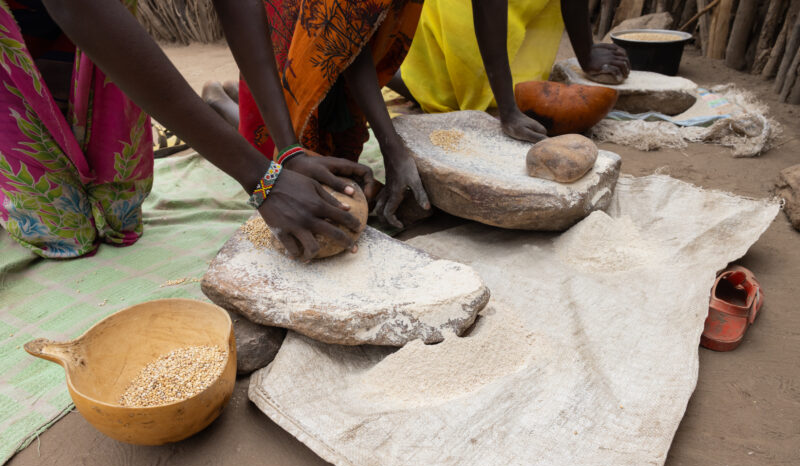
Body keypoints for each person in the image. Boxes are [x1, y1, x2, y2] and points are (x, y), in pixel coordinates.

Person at [0, 0, 370, 261]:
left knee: (120, 216)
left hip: (104, 28)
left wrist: (289, 151)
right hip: (14, 33)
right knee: (62, 237)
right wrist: (262, 179)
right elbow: (77, 7)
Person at [208, 0, 428, 230]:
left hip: (338, 37)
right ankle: (220, 102)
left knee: (326, 157)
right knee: (274, 150)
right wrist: (279, 168)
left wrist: (392, 147)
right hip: (302, 27)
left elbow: (357, 32)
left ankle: (234, 97)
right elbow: (344, 33)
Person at [389, 0, 631, 141]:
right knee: (457, 98)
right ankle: (395, 72)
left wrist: (587, 52)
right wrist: (508, 112)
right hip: (466, 10)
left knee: (524, 95)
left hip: (523, 9)